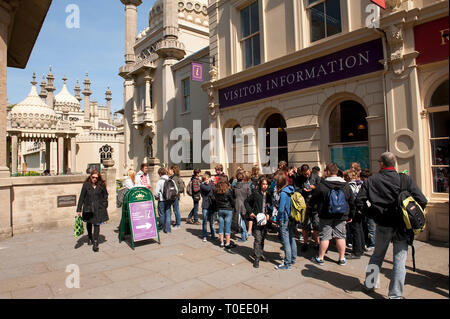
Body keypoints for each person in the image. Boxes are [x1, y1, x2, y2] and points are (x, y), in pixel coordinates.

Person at [356, 152, 427, 299]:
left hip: (382, 225)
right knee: (399, 262)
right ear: (394, 163)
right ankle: (395, 295)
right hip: (402, 226)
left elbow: (359, 202)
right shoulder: (405, 179)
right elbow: (422, 200)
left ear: (382, 163)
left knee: (377, 256)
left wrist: (373, 214)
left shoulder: (372, 180)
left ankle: (369, 285)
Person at [310, 163, 356, 266]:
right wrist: (351, 215)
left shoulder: (322, 185)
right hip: (341, 215)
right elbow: (351, 201)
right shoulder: (345, 185)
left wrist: (312, 208)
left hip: (325, 215)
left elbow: (313, 199)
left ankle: (321, 258)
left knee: (325, 236)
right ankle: (342, 258)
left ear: (328, 172)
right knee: (340, 236)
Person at [76, 170, 109, 252]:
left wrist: (104, 205)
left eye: (96, 178)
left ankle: (95, 242)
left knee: (97, 224)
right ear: (90, 176)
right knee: (89, 223)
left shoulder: (101, 185)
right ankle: (90, 236)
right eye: (93, 177)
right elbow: (81, 197)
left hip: (98, 208)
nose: (94, 179)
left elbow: (105, 195)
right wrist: (79, 210)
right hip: (88, 208)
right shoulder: (86, 185)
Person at [245, 177, 273, 268]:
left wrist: (269, 214)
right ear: (260, 185)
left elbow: (271, 206)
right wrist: (250, 212)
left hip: (265, 220)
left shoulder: (269, 194)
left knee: (263, 238)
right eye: (263, 184)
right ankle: (256, 258)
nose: (265, 186)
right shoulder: (256, 194)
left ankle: (260, 253)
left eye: (266, 184)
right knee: (258, 238)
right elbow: (246, 202)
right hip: (257, 219)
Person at [295, 164, 320, 252]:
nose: (307, 176)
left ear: (310, 170)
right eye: (305, 174)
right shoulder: (299, 178)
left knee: (316, 225)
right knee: (305, 225)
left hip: (315, 205)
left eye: (308, 174)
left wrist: (314, 188)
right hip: (304, 205)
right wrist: (303, 190)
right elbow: (296, 189)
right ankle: (305, 243)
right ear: (301, 173)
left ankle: (317, 243)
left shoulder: (316, 177)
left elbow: (321, 188)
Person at [274, 173, 296, 270]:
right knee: (292, 237)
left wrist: (277, 218)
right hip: (291, 217)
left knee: (286, 240)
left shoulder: (283, 193)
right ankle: (293, 259)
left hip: (284, 218)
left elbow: (281, 208)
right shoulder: (290, 190)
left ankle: (287, 263)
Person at [344, 169, 365, 259]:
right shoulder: (361, 183)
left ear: (348, 177)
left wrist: (350, 213)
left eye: (345, 176)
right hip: (361, 209)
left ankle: (357, 252)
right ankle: (361, 248)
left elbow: (350, 200)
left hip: (354, 210)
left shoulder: (349, 186)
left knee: (355, 230)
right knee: (360, 229)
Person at [212, 176, 236, 249]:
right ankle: (227, 243)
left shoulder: (216, 190)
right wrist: (233, 206)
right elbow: (232, 201)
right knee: (227, 227)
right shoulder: (228, 191)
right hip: (228, 209)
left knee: (221, 226)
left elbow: (214, 200)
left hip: (220, 209)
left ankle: (222, 242)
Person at [154, 167, 177, 233]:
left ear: (160, 174)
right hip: (169, 200)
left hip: (161, 200)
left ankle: (161, 227)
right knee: (168, 214)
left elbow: (156, 193)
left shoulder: (160, 181)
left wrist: (156, 197)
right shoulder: (171, 180)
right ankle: (168, 229)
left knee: (161, 214)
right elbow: (176, 191)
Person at [232, 171, 251, 242]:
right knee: (242, 220)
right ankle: (244, 235)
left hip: (237, 205)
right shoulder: (247, 186)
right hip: (245, 204)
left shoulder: (234, 187)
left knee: (241, 221)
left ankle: (244, 235)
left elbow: (233, 196)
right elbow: (250, 196)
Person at [360, 169, 375, 250]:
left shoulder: (369, 184)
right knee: (367, 226)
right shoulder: (370, 183)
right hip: (367, 207)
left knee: (370, 227)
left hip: (370, 208)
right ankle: (368, 242)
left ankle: (372, 243)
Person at [200, 171, 215, 242]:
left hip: (211, 205)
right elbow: (208, 189)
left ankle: (213, 234)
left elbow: (214, 189)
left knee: (211, 221)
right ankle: (204, 235)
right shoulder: (202, 185)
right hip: (205, 205)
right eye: (205, 179)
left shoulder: (210, 184)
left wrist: (212, 183)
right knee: (205, 221)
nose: (206, 181)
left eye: (207, 179)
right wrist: (210, 182)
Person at [170, 165, 184, 229]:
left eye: (170, 169)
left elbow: (174, 188)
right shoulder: (175, 177)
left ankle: (178, 224)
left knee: (176, 210)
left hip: (174, 196)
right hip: (175, 196)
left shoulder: (174, 178)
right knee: (176, 209)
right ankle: (177, 223)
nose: (169, 171)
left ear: (173, 170)